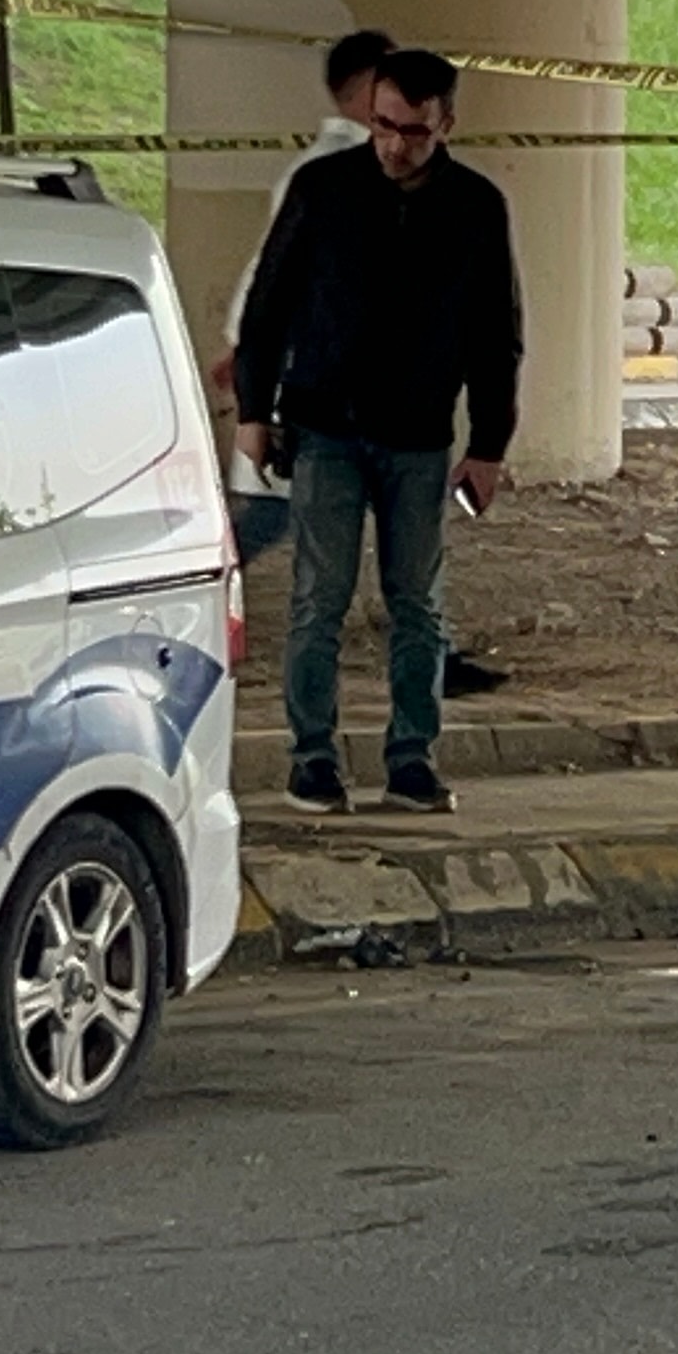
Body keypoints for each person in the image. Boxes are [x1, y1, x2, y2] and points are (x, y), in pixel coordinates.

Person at [232, 49, 522, 817]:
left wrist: (490, 445)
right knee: (317, 602)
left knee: (417, 605)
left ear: (446, 124)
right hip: (323, 427)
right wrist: (256, 415)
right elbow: (269, 304)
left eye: (415, 132)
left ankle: (411, 760)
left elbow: (499, 333)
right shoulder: (322, 190)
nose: (396, 145)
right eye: (385, 126)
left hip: (420, 437)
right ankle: (313, 760)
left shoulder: (475, 207)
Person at [216, 28, 393, 566]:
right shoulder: (334, 175)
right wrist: (246, 348)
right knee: (282, 509)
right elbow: (272, 274)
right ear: (368, 94)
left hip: (336, 373)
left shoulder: (339, 168)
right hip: (314, 373)